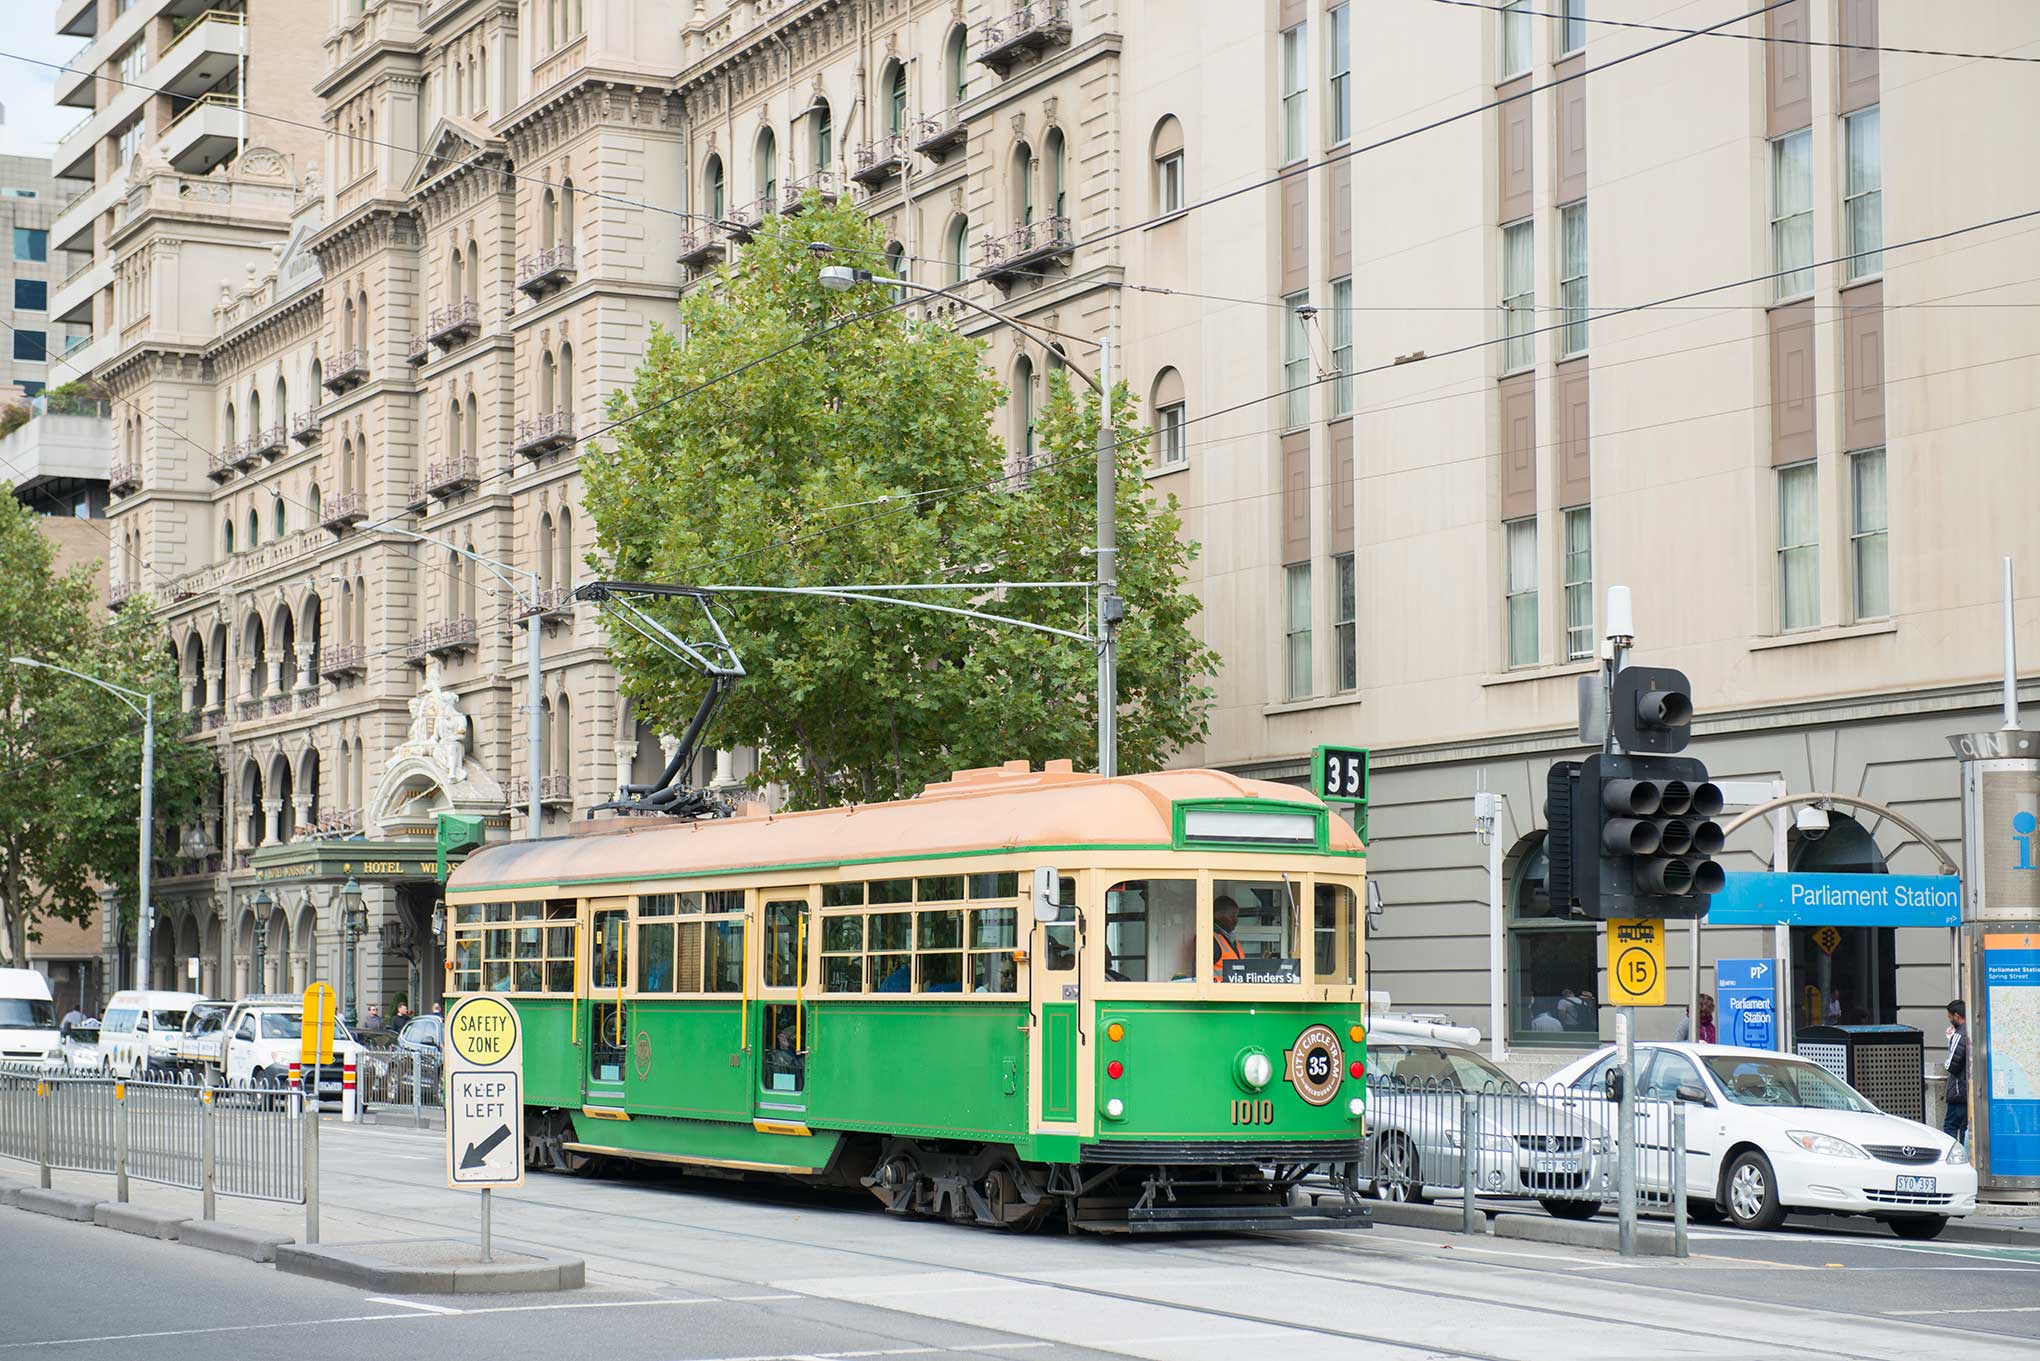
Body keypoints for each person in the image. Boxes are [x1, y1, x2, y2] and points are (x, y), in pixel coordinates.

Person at [1943, 999, 1970, 1144]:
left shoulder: (1959, 1034)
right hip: (1970, 1092)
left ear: (1956, 1016)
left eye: (1950, 1017)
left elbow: (1951, 1065)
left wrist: (1951, 1040)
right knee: (1966, 1128)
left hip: (1959, 1092)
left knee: (1950, 1127)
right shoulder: (1973, 1031)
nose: (1949, 1020)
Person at [1211, 895, 1244, 980]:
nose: (1236, 920)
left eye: (1236, 916)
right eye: (1232, 916)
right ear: (1217, 915)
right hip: (1217, 992)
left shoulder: (1233, 941)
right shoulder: (1209, 940)